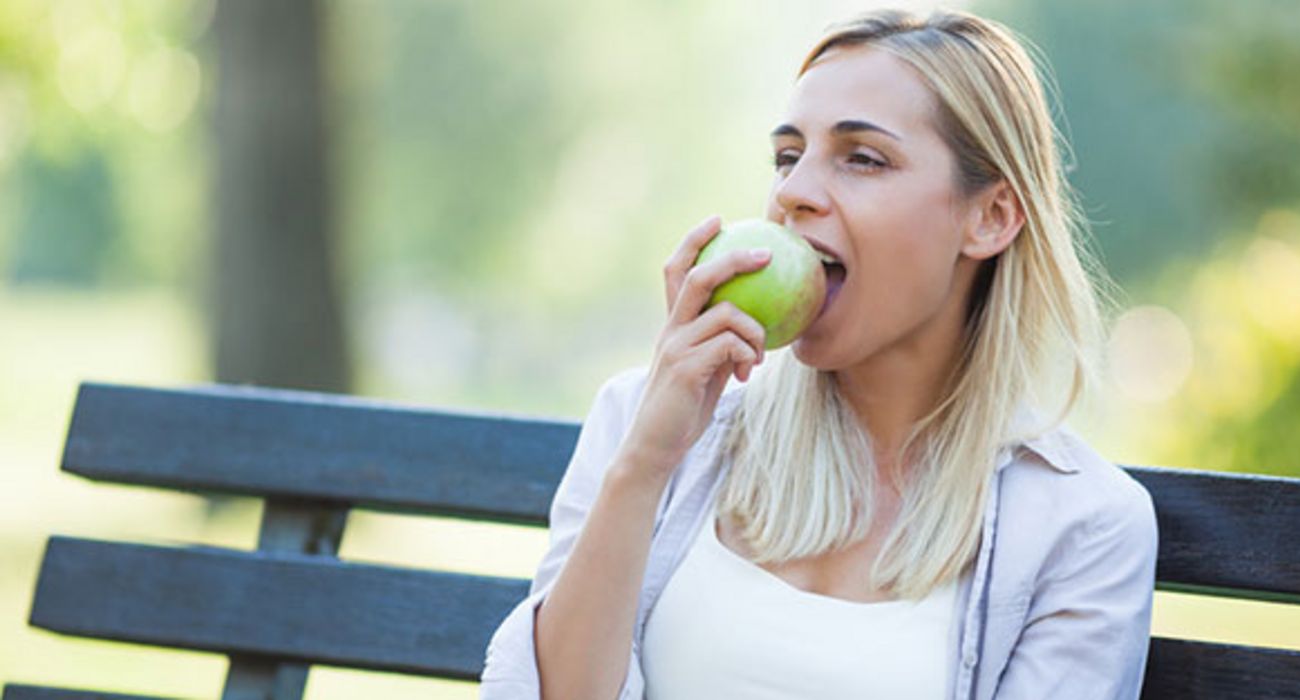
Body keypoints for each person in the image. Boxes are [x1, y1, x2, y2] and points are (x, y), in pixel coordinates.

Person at [480, 7, 1158, 700]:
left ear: (989, 217)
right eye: (786, 157)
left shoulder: (1082, 527)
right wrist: (646, 462)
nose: (792, 193)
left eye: (862, 158)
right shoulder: (646, 425)